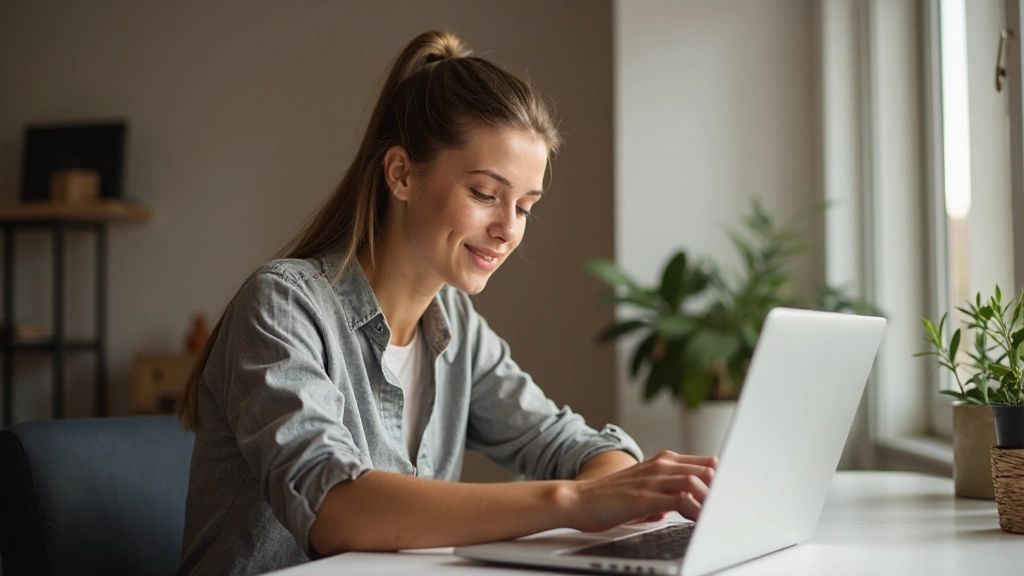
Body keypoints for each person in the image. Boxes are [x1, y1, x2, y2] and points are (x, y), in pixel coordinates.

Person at [173, 30, 716, 576]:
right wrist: (575, 503)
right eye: (484, 194)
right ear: (402, 175)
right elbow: (337, 509)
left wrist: (623, 486)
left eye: (525, 206)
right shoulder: (283, 305)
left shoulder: (455, 324)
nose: (507, 230)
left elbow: (572, 446)